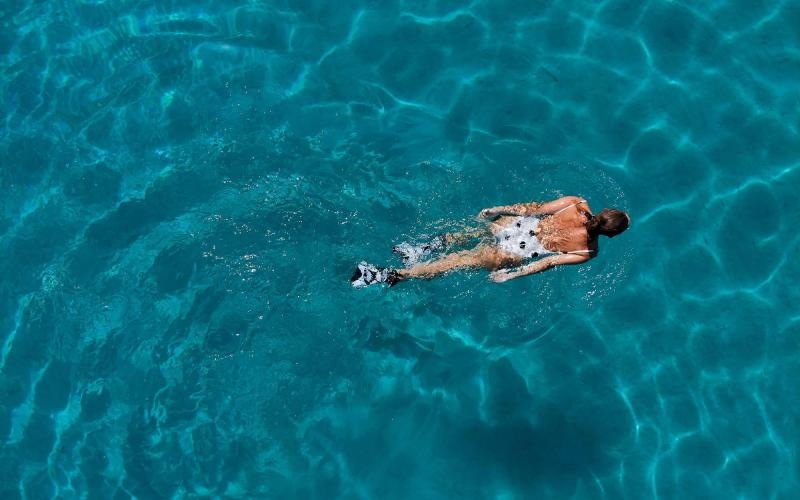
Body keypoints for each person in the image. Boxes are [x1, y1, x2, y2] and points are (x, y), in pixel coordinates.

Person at [350, 196, 630, 287]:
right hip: (519, 252)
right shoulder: (586, 251)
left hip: (519, 225)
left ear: (605, 212)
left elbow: (532, 208)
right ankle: (392, 275)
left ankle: (419, 249)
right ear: (611, 235)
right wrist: (510, 275)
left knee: (465, 234)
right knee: (459, 261)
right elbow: (547, 263)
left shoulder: (576, 203)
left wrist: (499, 210)